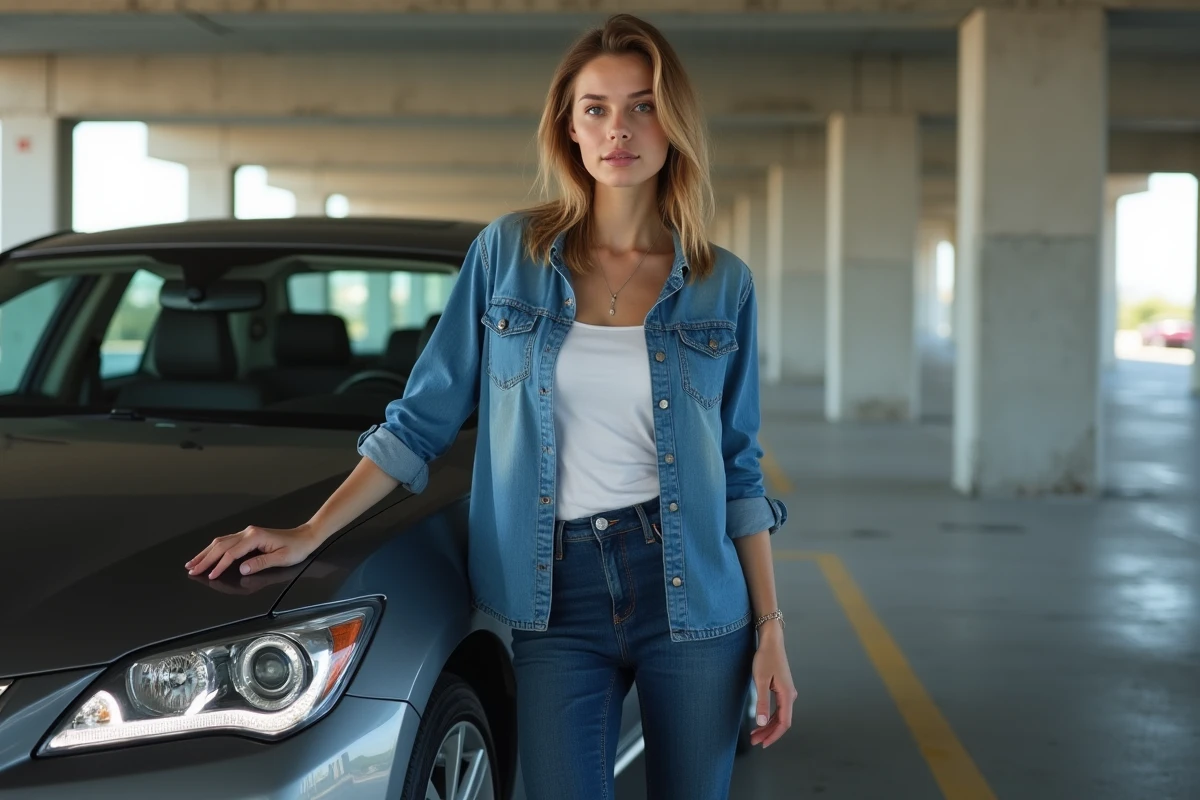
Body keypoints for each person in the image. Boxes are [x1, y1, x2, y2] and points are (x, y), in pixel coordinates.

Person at [185, 12, 796, 799]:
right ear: (568, 129)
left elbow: (740, 466)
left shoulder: (723, 282)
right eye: (597, 108)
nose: (620, 129)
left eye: (643, 105)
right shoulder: (509, 256)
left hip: (692, 589)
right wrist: (310, 532)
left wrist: (771, 631)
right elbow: (422, 419)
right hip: (556, 591)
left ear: (673, 124)